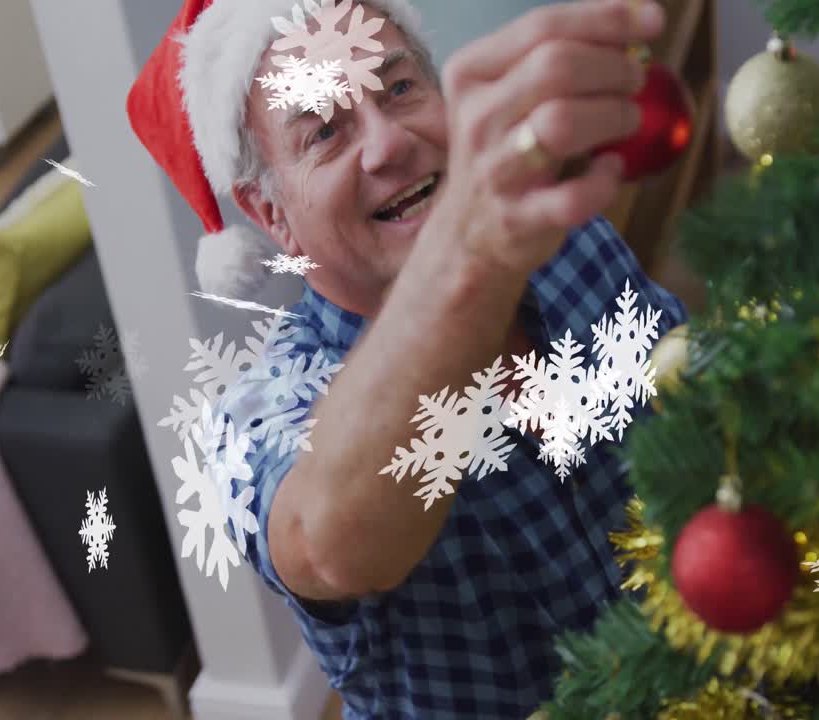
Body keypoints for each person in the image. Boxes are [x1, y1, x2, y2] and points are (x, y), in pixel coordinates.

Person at [126, 0, 688, 718]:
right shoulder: (256, 417)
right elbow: (333, 546)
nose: (390, 143)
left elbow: (699, 402)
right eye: (324, 131)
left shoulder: (573, 243)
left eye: (398, 88)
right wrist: (468, 256)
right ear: (270, 216)